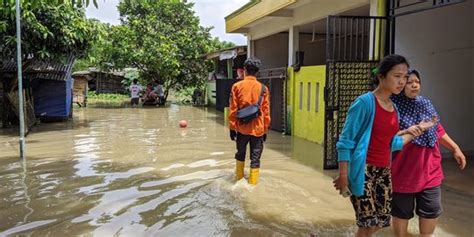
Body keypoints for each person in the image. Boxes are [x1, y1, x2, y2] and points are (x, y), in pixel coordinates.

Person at [333, 54, 436, 237]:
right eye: (397, 76)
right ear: (381, 76)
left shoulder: (393, 108)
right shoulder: (364, 103)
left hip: (384, 172)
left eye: (404, 77)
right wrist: (343, 175)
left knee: (381, 221)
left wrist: (416, 130)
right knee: (367, 223)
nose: (402, 82)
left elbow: (393, 143)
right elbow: (345, 141)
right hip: (363, 171)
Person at [390, 70, 467, 237]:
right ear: (402, 85)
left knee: (430, 211)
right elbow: (386, 137)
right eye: (409, 82)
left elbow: (437, 129)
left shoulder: (425, 104)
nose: (414, 85)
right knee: (401, 213)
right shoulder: (392, 107)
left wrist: (455, 148)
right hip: (403, 172)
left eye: (417, 81)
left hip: (430, 172)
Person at [228, 58, 270, 185]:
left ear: (245, 70)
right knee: (255, 159)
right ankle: (252, 185)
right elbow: (266, 112)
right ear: (257, 72)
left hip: (241, 128)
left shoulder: (236, 86)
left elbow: (233, 110)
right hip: (258, 130)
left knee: (240, 154)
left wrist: (232, 128)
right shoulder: (263, 89)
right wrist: (265, 130)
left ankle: (239, 180)